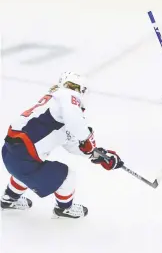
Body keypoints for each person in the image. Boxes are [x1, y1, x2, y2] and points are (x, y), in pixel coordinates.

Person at [1, 72, 124, 218]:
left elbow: (71, 142)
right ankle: (64, 208)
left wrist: (98, 155)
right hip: (23, 156)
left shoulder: (54, 106)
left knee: (28, 171)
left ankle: (9, 199)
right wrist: (88, 141)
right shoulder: (68, 97)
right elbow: (74, 121)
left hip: (10, 153)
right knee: (67, 177)